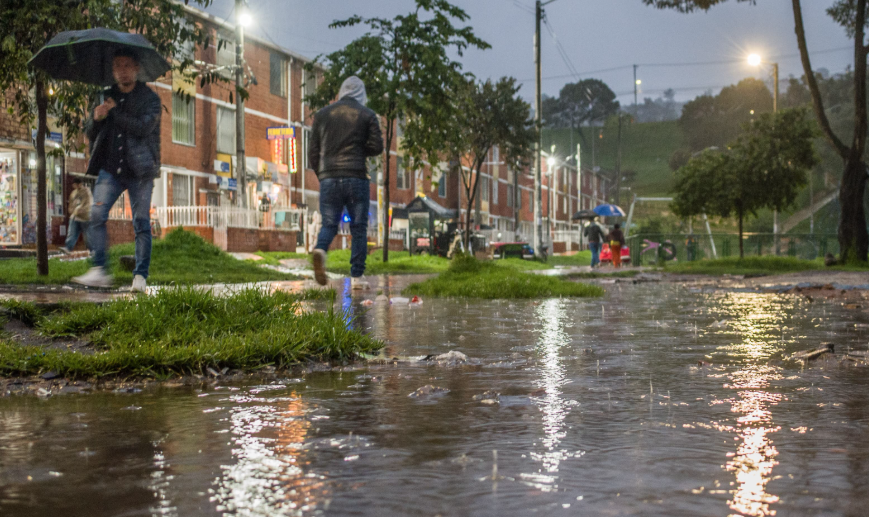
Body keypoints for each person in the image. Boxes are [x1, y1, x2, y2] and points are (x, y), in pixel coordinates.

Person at [72, 48, 161, 292]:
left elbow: (143, 128)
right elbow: (90, 132)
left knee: (141, 222)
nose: (121, 71)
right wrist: (97, 117)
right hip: (111, 168)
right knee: (95, 216)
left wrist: (115, 113)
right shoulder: (105, 95)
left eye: (126, 65)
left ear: (136, 68)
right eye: (117, 66)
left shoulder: (150, 99)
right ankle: (100, 269)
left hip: (140, 170)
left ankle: (140, 276)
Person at [308, 76, 384, 289]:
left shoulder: (322, 115)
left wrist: (322, 174)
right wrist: (359, 148)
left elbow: (313, 151)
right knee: (358, 227)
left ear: (341, 92)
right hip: (356, 177)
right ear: (362, 93)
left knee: (329, 224)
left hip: (329, 178)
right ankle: (357, 278)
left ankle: (321, 249)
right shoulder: (367, 115)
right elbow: (377, 146)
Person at [60, 177, 92, 254]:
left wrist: (82, 209)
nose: (74, 186)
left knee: (87, 236)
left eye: (75, 184)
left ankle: (92, 250)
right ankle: (68, 247)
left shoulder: (86, 192)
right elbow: (71, 203)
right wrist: (70, 209)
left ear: (80, 184)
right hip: (75, 217)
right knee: (71, 233)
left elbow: (89, 204)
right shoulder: (73, 193)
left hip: (85, 217)